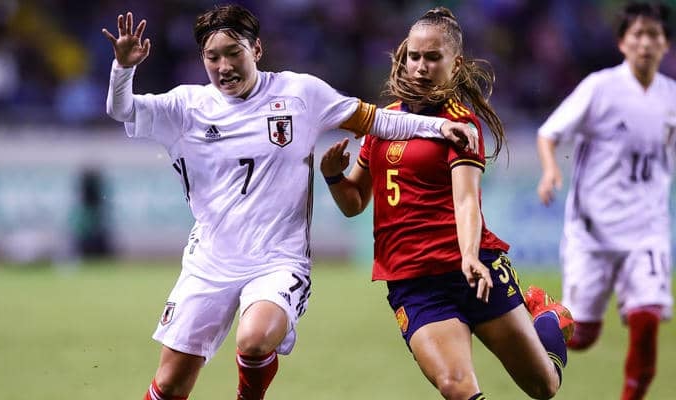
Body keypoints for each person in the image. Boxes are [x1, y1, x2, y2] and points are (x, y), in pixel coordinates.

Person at [101, 4, 478, 400]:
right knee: (170, 383)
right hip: (210, 262)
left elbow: (376, 120)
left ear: (256, 50)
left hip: (278, 260)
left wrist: (439, 127)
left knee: (254, 338)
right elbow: (121, 109)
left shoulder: (300, 94)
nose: (224, 66)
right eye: (213, 57)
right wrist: (123, 68)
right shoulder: (185, 107)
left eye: (233, 53)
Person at [320, 7, 574, 400]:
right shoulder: (383, 123)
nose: (421, 67)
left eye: (433, 57)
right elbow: (354, 203)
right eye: (414, 57)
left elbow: (466, 199)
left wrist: (469, 255)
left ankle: (549, 320)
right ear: (403, 58)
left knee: (544, 386)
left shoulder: (460, 124)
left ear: (455, 65)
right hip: (413, 283)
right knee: (457, 387)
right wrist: (334, 176)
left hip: (474, 271)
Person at [536, 2, 674, 399]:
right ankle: (539, 310)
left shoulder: (671, 97)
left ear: (665, 44)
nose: (645, 43)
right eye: (638, 34)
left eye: (654, 35)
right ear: (622, 43)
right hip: (593, 230)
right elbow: (548, 133)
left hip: (647, 229)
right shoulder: (600, 88)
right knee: (581, 336)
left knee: (647, 319)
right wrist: (550, 170)